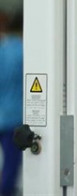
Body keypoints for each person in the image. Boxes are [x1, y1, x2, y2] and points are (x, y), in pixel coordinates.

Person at [0, 15, 22, 196]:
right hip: (14, 119)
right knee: (10, 169)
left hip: (2, 116)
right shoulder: (24, 51)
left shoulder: (2, 51)